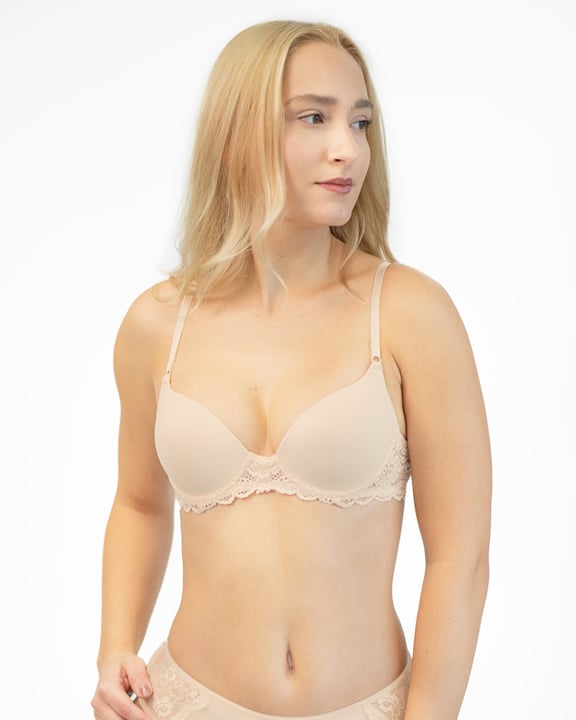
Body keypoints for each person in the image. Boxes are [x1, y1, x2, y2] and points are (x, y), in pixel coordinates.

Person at [91, 19, 491, 720]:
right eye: (314, 117)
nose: (348, 149)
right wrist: (113, 649)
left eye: (360, 122)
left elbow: (462, 556)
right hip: (182, 703)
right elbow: (140, 504)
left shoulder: (408, 314)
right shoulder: (155, 326)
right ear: (236, 132)